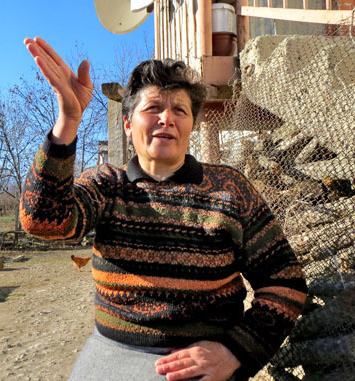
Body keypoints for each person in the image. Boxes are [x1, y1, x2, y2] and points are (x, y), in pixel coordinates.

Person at [20, 37, 307, 381]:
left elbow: (285, 281)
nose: (166, 118)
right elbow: (43, 222)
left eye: (180, 110)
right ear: (128, 125)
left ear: (192, 125)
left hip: (202, 365)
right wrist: (67, 120)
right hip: (112, 355)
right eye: (153, 108)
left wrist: (236, 352)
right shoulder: (108, 185)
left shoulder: (231, 189)